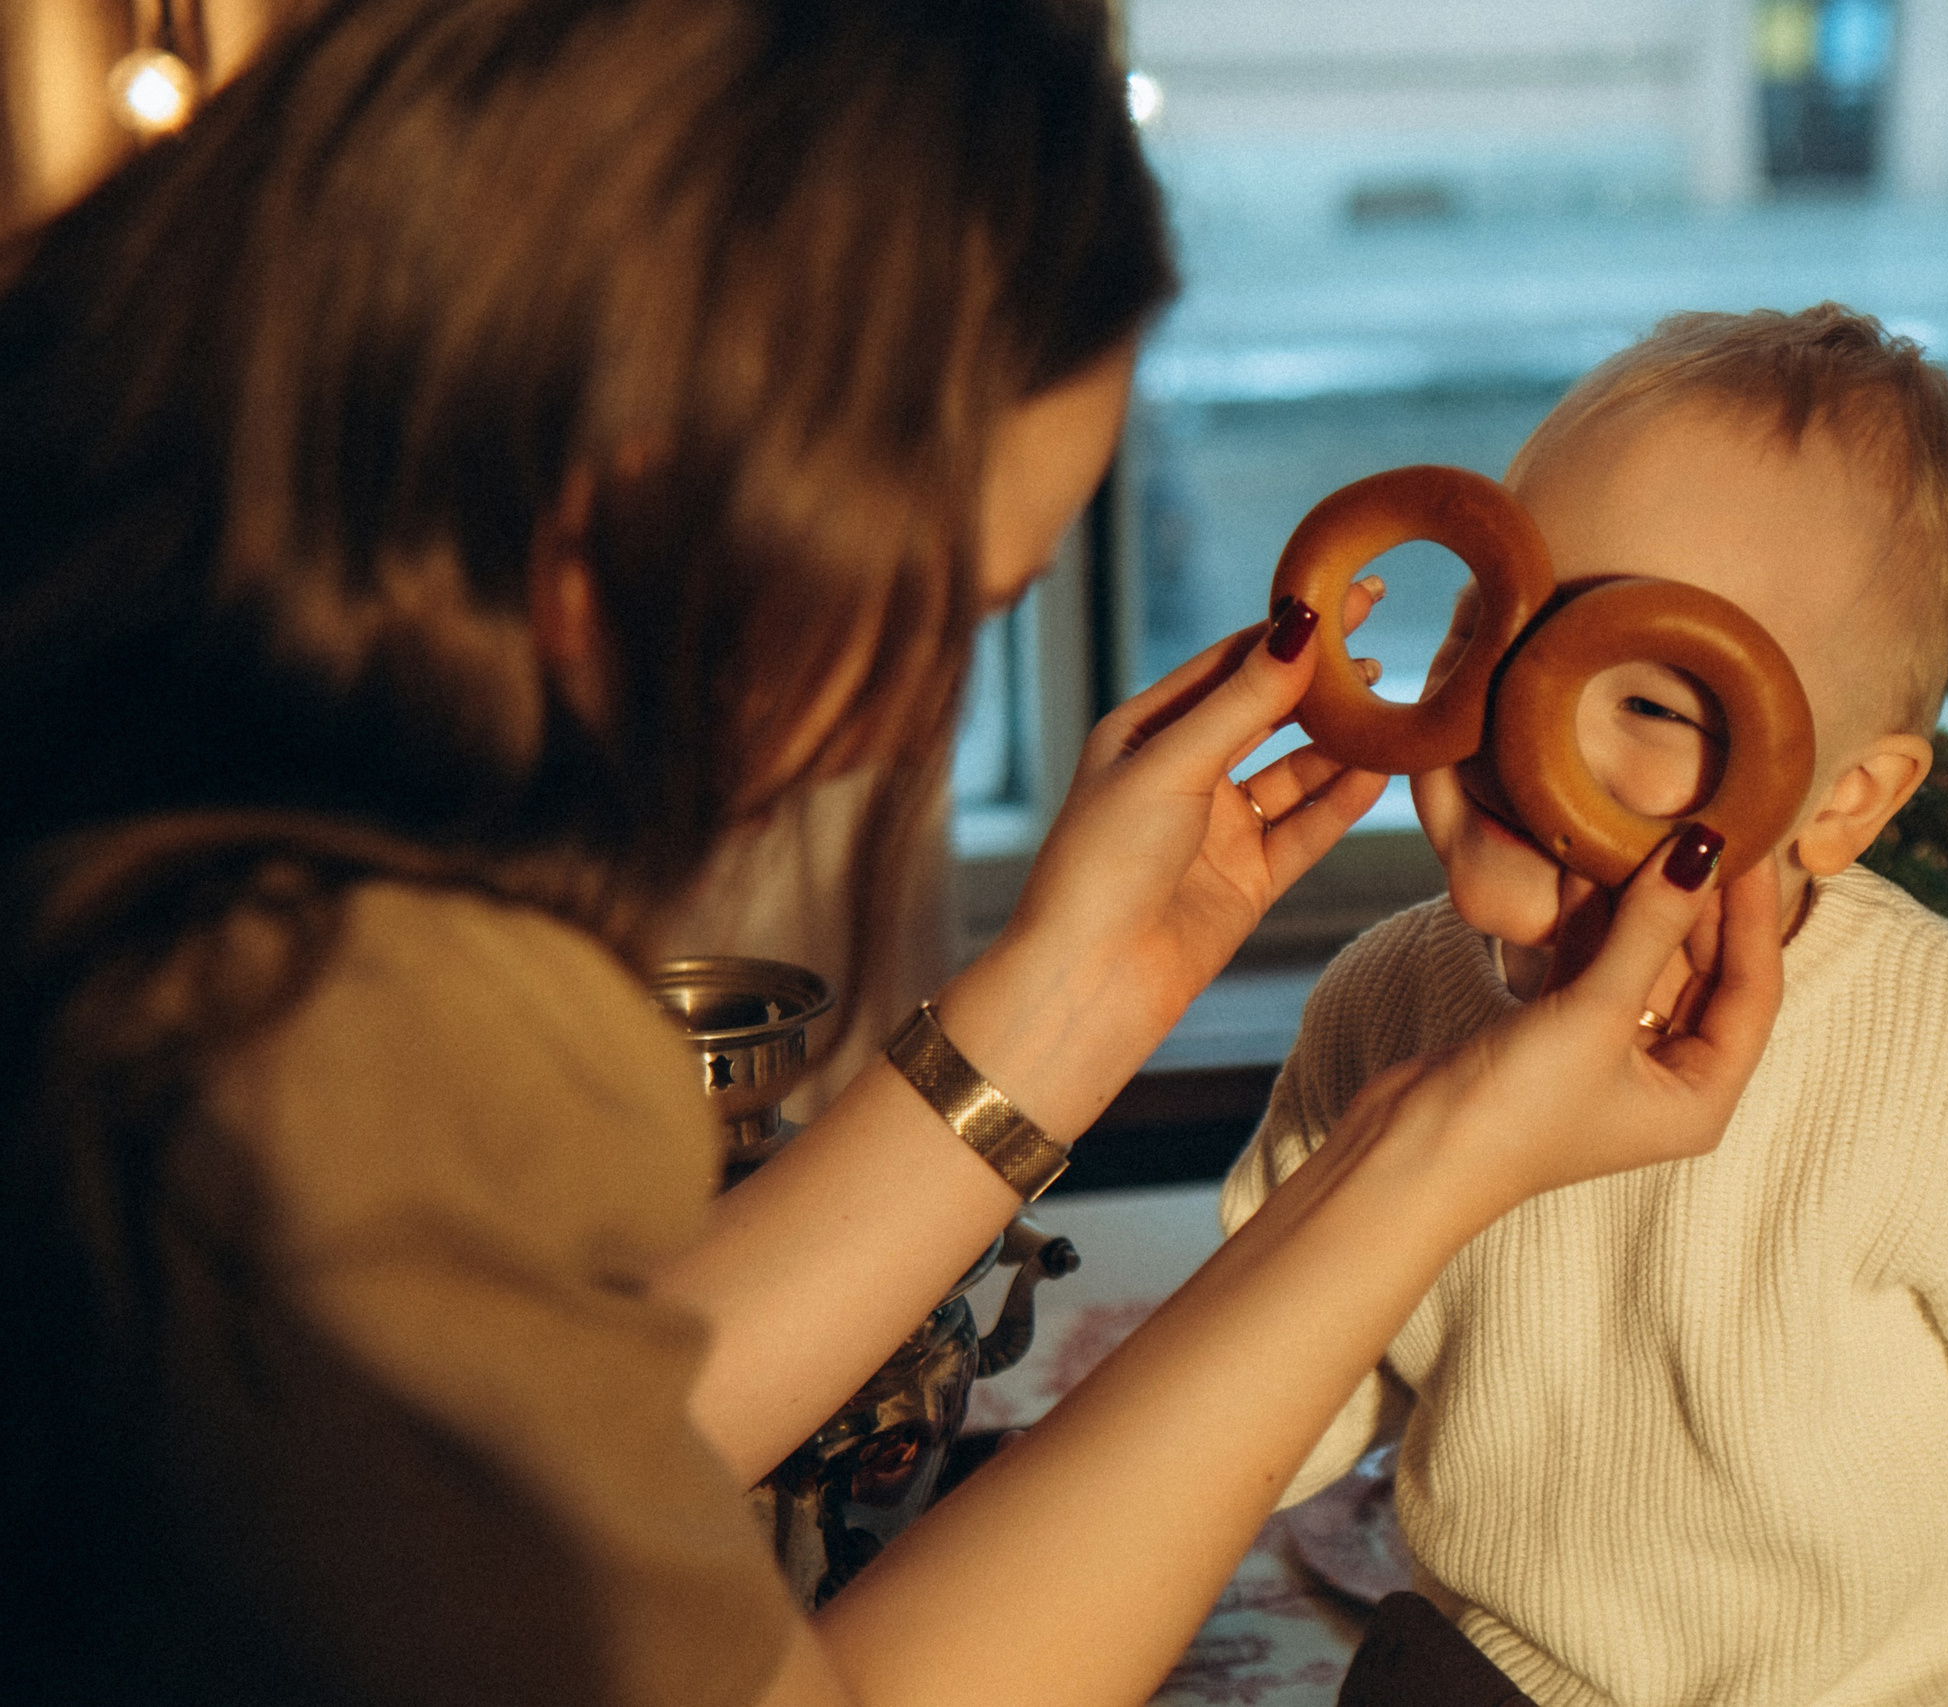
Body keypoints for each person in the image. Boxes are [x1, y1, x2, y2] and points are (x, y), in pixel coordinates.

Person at [0, 4, 1792, 1705]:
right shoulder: (300, 1058)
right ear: (644, 495)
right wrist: (1429, 1163)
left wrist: (1079, 994)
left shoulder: (172, 884)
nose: (894, 725)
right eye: (944, 608)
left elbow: (569, 1448)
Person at [1223, 307, 1948, 1707]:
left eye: (1652, 703)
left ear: (1844, 801)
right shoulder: (1381, 1008)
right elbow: (1265, 1399)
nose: (1520, 720)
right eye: (1486, 632)